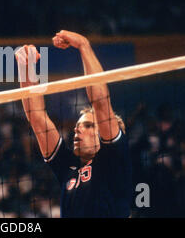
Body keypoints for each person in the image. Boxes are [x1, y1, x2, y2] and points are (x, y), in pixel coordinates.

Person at [15, 30, 132, 217]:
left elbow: (101, 103)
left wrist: (84, 45)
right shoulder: (68, 167)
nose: (78, 129)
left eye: (88, 126)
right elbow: (37, 119)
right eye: (78, 125)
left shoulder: (114, 158)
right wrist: (25, 67)